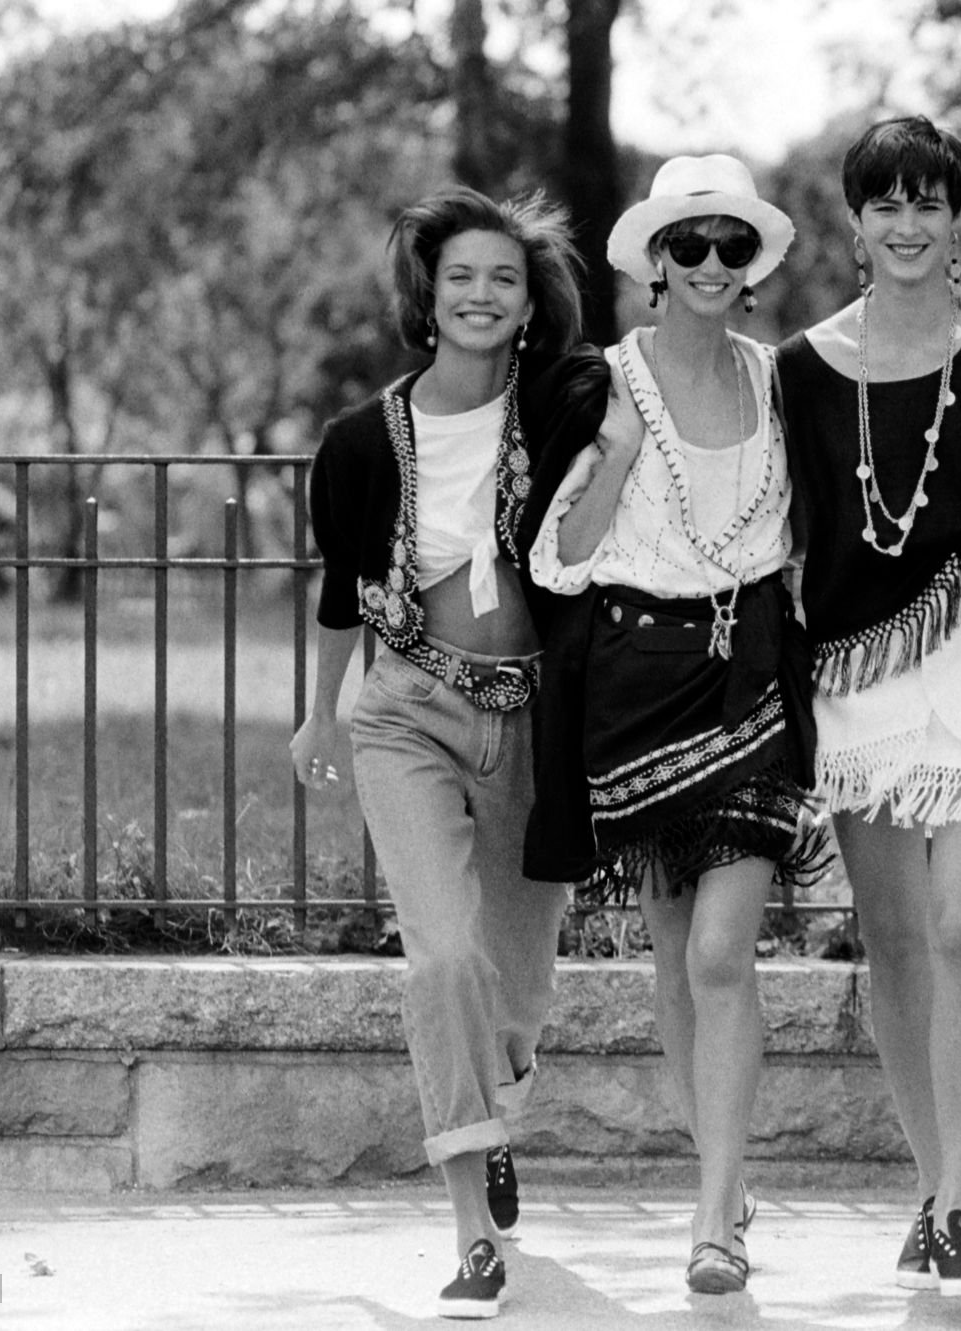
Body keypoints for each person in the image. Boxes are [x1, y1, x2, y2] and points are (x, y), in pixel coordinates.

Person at [291, 186, 607, 1319]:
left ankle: (497, 1101)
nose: (481, 295)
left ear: (529, 303)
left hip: (534, 719)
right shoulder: (358, 440)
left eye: (503, 279)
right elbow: (342, 593)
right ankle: (473, 1228)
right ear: (428, 296)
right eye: (461, 276)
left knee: (517, 984)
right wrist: (321, 713)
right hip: (407, 710)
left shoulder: (567, 402)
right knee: (442, 959)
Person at [775, 115, 961, 1296]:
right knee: (891, 937)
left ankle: (959, 1204)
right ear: (854, 220)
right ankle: (930, 1180)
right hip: (856, 671)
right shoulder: (798, 368)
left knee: (955, 928)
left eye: (926, 202)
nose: (905, 224)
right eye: (883, 203)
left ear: (954, 217)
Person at [527, 154, 815, 1296]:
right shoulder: (605, 380)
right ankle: (721, 1179)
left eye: (729, 245)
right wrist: (618, 452)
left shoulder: (779, 380)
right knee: (671, 948)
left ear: (751, 264)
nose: (708, 262)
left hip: (751, 678)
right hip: (636, 681)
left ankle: (714, 1219)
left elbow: (804, 531)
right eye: (686, 244)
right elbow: (559, 556)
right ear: (656, 259)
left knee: (719, 952)